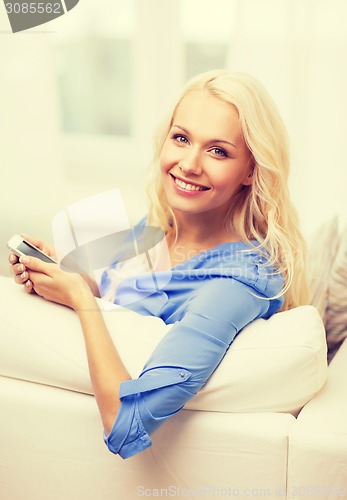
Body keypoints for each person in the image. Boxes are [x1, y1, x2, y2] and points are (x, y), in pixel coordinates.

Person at [8, 70, 309, 459]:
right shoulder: (159, 227)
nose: (189, 164)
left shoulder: (236, 283)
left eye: (218, 151)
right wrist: (71, 276)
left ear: (251, 170)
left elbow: (125, 425)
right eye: (181, 138)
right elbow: (123, 294)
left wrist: (82, 300)